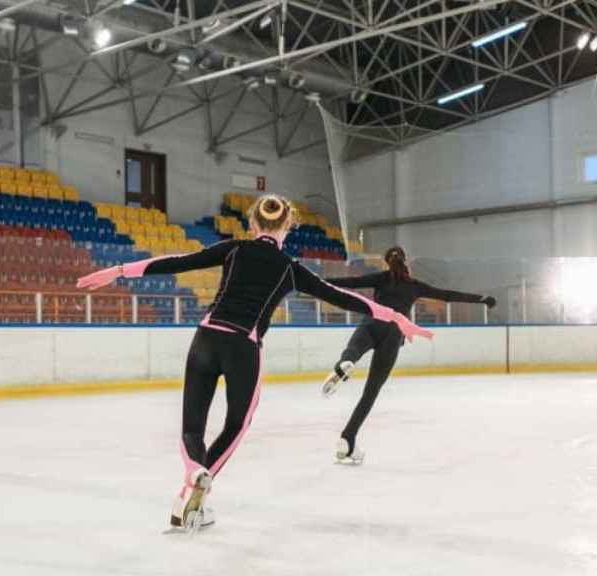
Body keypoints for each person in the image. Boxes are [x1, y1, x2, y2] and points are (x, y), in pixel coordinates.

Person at [76, 196, 433, 532]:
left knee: (191, 427)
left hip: (204, 338)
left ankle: (193, 473)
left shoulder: (233, 249)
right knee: (237, 424)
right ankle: (195, 489)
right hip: (242, 347)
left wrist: (121, 269)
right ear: (289, 226)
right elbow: (341, 297)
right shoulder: (290, 269)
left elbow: (179, 261)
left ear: (251, 224)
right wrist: (395, 317)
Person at [321, 246, 496, 465]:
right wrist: (482, 299)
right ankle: (347, 439)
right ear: (407, 262)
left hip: (372, 322)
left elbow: (349, 284)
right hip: (394, 334)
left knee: (352, 351)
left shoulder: (380, 278)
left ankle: (345, 363)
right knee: (371, 391)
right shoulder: (415, 286)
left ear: (387, 262)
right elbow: (447, 295)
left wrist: (312, 283)